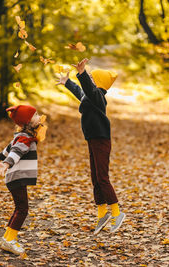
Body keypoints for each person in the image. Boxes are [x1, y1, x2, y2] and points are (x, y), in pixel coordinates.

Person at [56, 58, 125, 235]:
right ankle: (102, 213)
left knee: (102, 178)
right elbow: (81, 92)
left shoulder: (98, 97)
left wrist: (82, 74)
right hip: (93, 140)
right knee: (95, 177)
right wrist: (68, 82)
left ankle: (117, 213)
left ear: (99, 84)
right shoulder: (90, 97)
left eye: (93, 79)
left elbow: (87, 88)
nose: (91, 82)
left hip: (101, 140)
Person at [0, 105, 47, 255]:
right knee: (22, 209)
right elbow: (15, 152)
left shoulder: (20, 136)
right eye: (35, 115)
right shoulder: (24, 139)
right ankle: (10, 240)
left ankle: (7, 237)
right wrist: (5, 164)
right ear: (27, 122)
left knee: (19, 208)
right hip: (17, 177)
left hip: (16, 178)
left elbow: (8, 148)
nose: (38, 116)